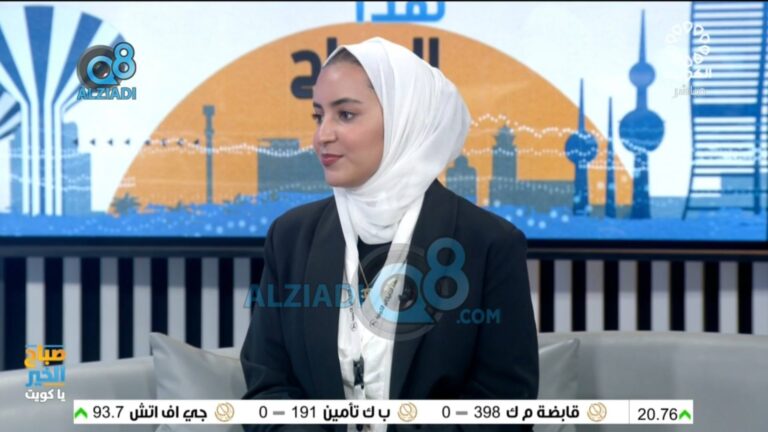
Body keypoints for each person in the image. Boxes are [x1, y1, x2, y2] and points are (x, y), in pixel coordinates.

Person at [241, 37, 538, 432]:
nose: (321, 136)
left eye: (345, 115)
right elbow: (267, 391)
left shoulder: (488, 243)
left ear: (404, 121)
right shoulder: (290, 238)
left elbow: (503, 408)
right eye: (318, 116)